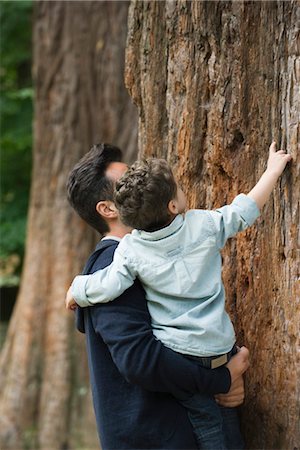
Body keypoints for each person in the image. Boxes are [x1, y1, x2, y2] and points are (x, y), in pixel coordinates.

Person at [67, 142, 291, 449]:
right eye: (126, 181)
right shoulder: (114, 259)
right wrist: (221, 379)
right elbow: (141, 361)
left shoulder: (134, 253)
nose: (137, 181)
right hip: (158, 436)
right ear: (108, 209)